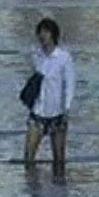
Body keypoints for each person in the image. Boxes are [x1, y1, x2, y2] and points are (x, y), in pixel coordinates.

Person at [24, 18, 76, 177]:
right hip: (38, 112)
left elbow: (70, 84)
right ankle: (31, 189)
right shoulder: (36, 55)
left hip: (57, 114)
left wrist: (66, 108)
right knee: (28, 157)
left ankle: (60, 188)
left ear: (54, 35)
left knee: (59, 159)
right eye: (40, 33)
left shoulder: (64, 58)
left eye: (46, 33)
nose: (42, 36)